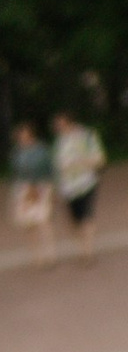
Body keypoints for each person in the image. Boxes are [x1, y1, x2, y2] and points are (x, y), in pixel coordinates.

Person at [54, 109, 106, 262]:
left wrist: (81, 162)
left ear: (69, 122)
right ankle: (81, 247)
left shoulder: (87, 135)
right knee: (72, 221)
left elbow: (100, 159)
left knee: (86, 216)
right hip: (67, 186)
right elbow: (57, 166)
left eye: (59, 123)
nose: (57, 126)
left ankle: (88, 252)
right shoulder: (59, 141)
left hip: (86, 182)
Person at [10, 121, 57, 266]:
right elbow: (15, 173)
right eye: (20, 135)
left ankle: (50, 254)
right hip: (23, 188)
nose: (22, 137)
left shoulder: (41, 149)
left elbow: (50, 169)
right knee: (28, 224)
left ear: (31, 134)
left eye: (24, 134)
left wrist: (49, 187)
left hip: (41, 186)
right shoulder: (16, 152)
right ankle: (37, 256)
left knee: (43, 221)